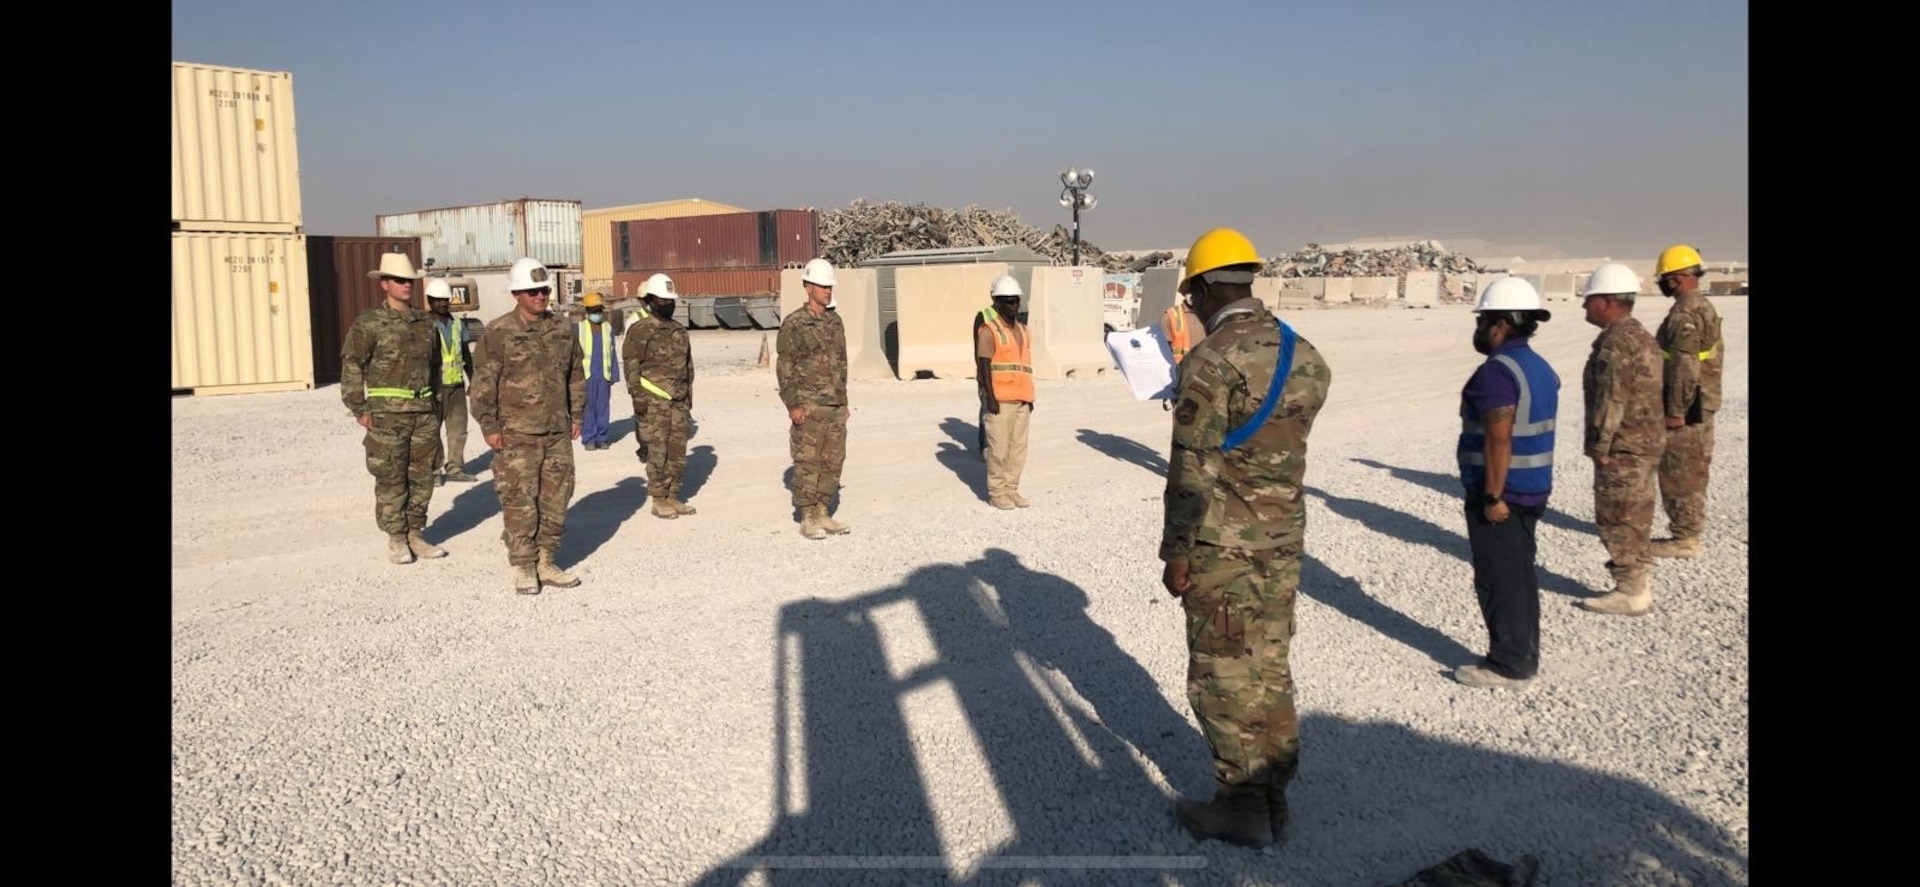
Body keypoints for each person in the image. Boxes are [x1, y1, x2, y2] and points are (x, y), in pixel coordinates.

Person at [1159, 227, 1331, 849]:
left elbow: (1192, 470)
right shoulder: (1303, 351)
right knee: (1268, 664)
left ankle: (1241, 804)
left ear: (1206, 289)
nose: (1192, 309)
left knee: (1223, 671)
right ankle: (1273, 791)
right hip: (1281, 539)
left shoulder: (1211, 362)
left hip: (1222, 547)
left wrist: (1176, 551)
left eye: (1192, 297)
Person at [1454, 277, 1560, 689]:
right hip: (1533, 487)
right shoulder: (1539, 367)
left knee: (1499, 577)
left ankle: (1509, 664)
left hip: (1502, 493)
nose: (1478, 330)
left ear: (1501, 324)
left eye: (1483, 321)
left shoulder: (1496, 374)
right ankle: (1522, 652)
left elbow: (1500, 437)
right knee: (1519, 573)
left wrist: (1493, 496)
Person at [470, 257, 586, 594]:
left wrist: (576, 414)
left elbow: (575, 375)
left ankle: (546, 560)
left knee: (557, 498)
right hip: (515, 433)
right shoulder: (499, 331)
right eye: (532, 291)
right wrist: (489, 424)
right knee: (520, 500)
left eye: (544, 289)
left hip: (556, 432)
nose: (540, 295)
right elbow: (483, 382)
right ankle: (523, 565)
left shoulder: (562, 330)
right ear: (516, 293)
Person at [339, 252, 445, 565]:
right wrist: (358, 405)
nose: (406, 285)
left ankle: (415, 533)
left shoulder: (425, 322)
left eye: (410, 280)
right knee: (391, 476)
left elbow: (435, 365)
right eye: (399, 280)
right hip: (387, 414)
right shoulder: (370, 322)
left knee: (423, 476)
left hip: (423, 412)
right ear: (384, 284)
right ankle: (396, 537)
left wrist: (435, 403)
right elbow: (352, 364)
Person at [1577, 262, 1666, 616]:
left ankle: (1631, 590)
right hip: (1644, 442)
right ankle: (1636, 583)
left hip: (1624, 447)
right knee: (1637, 513)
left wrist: (1600, 446)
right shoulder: (1640, 335)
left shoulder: (1617, 342)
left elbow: (1612, 398)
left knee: (1618, 515)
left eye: (1589, 300)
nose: (1585, 306)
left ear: (1608, 301)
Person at [1649, 244, 1725, 559]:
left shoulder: (1684, 314)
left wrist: (1676, 410)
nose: (1663, 285)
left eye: (1665, 279)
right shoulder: (1704, 307)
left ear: (1677, 279)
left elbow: (1684, 365)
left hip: (1688, 405)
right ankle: (1688, 530)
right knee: (1694, 468)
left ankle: (1685, 538)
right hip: (1702, 401)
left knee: (1680, 471)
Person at [777, 258, 852, 540]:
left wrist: (844, 402)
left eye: (830, 286)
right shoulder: (795, 323)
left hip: (834, 405)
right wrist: (793, 404)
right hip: (808, 404)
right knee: (808, 461)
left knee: (833, 461)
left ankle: (823, 510)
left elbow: (841, 364)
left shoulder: (835, 321)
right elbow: (785, 366)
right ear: (808, 287)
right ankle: (808, 516)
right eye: (822, 286)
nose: (827, 291)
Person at [622, 273, 698, 520]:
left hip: (678, 400)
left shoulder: (678, 330)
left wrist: (688, 398)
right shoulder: (640, 330)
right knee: (657, 450)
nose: (669, 304)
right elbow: (632, 364)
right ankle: (658, 497)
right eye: (663, 300)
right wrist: (638, 398)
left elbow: (688, 366)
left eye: (671, 300)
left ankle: (673, 494)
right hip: (654, 399)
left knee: (678, 450)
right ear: (652, 300)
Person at [975, 275, 1035, 509]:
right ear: (996, 302)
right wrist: (989, 398)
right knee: (998, 449)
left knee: (1017, 450)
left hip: (1022, 398)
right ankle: (997, 492)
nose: (1013, 305)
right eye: (1008, 301)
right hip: (999, 399)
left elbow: (1025, 365)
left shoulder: (1023, 330)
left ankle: (1012, 489)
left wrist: (1029, 397)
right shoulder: (989, 330)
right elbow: (984, 366)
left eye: (1016, 300)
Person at [425, 278, 479, 485]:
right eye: (437, 300)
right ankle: (434, 471)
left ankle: (455, 467)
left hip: (456, 385)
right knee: (432, 430)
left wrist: (472, 379)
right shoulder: (425, 324)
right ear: (430, 301)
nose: (442, 304)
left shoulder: (457, 323)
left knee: (458, 429)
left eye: (445, 300)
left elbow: (465, 354)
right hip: (434, 385)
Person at [576, 291, 620, 451]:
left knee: (603, 407)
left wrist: (614, 374)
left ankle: (602, 437)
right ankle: (589, 437)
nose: (597, 314)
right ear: (587, 312)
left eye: (599, 310)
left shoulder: (607, 328)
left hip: (603, 375)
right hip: (586, 376)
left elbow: (612, 352)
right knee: (588, 407)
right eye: (594, 311)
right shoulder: (579, 329)